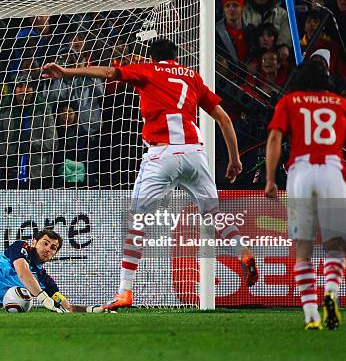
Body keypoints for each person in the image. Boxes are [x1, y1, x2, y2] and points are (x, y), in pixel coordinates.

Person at [42, 39, 259, 310]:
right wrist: (235, 159)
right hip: (195, 153)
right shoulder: (192, 76)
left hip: (162, 154)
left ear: (152, 57)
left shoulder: (149, 70)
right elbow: (224, 119)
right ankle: (244, 253)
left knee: (137, 221)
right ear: (176, 56)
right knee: (213, 213)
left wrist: (68, 72)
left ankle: (125, 291)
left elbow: (110, 73)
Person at [264, 60, 346, 330]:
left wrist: (271, 179)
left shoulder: (290, 101)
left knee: (303, 249)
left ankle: (310, 315)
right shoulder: (342, 105)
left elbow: (274, 138)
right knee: (334, 245)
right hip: (332, 171)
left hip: (301, 171)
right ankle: (330, 291)